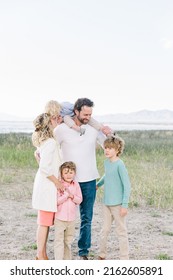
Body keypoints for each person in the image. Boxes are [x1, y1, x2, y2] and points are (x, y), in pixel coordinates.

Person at [54, 98, 112, 260]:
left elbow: (108, 144)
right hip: (67, 181)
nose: (87, 117)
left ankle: (83, 251)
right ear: (76, 111)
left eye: (90, 114)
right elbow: (49, 148)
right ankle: (63, 250)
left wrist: (110, 133)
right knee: (63, 216)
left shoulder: (93, 130)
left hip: (89, 180)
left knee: (87, 217)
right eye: (85, 114)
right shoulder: (61, 129)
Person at [32, 112, 63, 260]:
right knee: (44, 223)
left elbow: (40, 160)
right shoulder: (50, 142)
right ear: (49, 124)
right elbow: (44, 168)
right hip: (47, 186)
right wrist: (57, 182)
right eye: (54, 119)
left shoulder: (45, 142)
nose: (57, 120)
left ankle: (42, 253)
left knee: (45, 222)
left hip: (45, 184)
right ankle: (40, 255)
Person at [96, 133, 131, 260]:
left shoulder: (120, 164)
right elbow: (107, 175)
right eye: (105, 147)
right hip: (106, 203)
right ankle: (102, 254)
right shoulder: (107, 163)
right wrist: (98, 184)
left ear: (117, 150)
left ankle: (124, 257)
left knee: (121, 231)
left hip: (118, 205)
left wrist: (124, 205)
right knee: (104, 230)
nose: (107, 150)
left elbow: (127, 185)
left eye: (110, 148)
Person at [54, 161, 83, 260]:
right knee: (58, 241)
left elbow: (79, 200)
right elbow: (56, 201)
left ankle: (67, 260)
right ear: (61, 174)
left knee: (68, 241)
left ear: (74, 173)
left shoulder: (76, 185)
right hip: (59, 218)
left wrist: (71, 196)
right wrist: (66, 196)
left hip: (71, 219)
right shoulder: (59, 185)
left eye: (71, 172)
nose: (68, 175)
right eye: (66, 172)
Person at [44, 100, 111, 136]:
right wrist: (60, 121)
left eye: (55, 114)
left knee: (90, 120)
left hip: (76, 116)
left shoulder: (65, 105)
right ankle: (78, 129)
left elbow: (79, 109)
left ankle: (104, 129)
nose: (55, 116)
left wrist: (81, 115)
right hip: (69, 121)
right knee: (66, 118)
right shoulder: (54, 117)